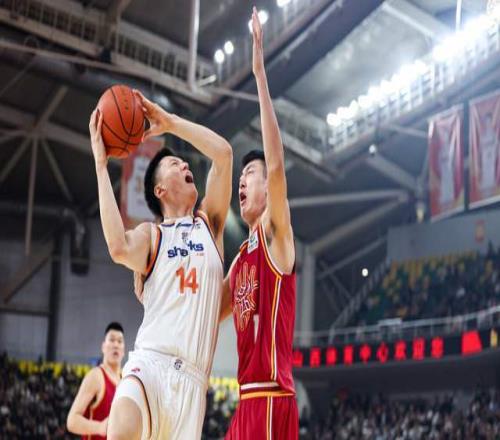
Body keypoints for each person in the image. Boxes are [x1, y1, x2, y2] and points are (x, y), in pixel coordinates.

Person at [88, 91, 233, 440]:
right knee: (121, 430)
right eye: (174, 165)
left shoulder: (210, 226)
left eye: (184, 164)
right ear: (160, 190)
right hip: (149, 364)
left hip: (193, 387)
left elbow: (224, 154)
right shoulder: (151, 236)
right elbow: (118, 247)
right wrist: (101, 166)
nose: (185, 166)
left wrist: (170, 123)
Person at [219, 8, 298, 439]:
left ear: (268, 188)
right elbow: (206, 313)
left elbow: (278, 164)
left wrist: (259, 74)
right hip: (246, 402)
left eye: (249, 174)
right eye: (241, 176)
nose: (241, 182)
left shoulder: (275, 235)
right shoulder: (239, 259)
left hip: (271, 400)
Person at [67, 322, 125, 439]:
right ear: (103, 347)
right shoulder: (96, 376)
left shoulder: (126, 380)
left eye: (119, 341)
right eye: (112, 340)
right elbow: (72, 421)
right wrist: (100, 427)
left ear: (123, 350)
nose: (116, 345)